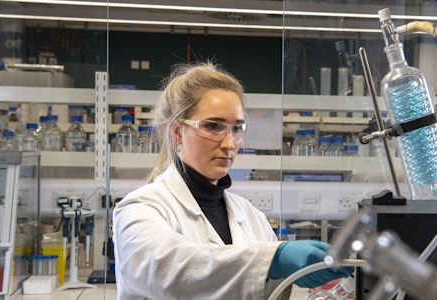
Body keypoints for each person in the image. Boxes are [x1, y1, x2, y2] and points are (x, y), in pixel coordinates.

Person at [112, 62, 353, 299]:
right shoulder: (138, 209)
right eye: (213, 126)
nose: (229, 144)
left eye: (237, 128)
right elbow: (169, 270)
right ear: (177, 132)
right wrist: (274, 260)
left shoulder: (251, 218)